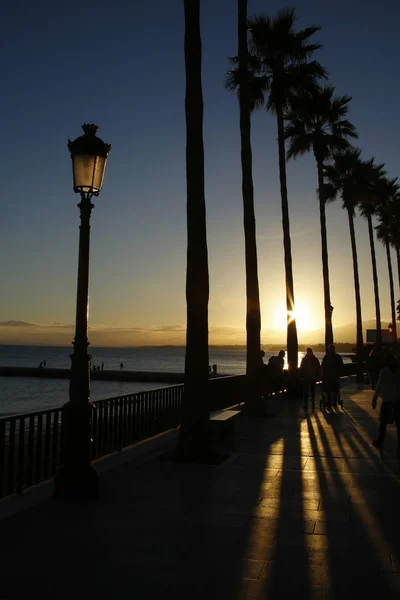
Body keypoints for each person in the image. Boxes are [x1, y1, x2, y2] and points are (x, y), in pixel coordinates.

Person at [371, 352, 400, 458]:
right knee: (399, 425)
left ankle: (380, 442)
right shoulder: (398, 371)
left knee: (383, 423)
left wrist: (374, 399)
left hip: (387, 400)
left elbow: (379, 387)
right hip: (398, 400)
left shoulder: (384, 372)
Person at [321, 344, 343, 409]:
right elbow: (341, 366)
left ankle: (330, 403)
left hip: (329, 376)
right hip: (334, 376)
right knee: (334, 391)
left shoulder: (326, 357)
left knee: (329, 391)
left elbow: (322, 366)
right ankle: (333, 403)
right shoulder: (337, 357)